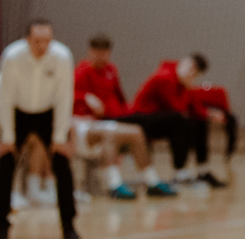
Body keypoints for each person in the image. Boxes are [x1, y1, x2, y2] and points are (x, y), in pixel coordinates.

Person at [0, 19, 77, 239]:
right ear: (27, 40)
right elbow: (5, 97)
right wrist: (7, 136)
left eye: (47, 41)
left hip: (48, 114)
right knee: (5, 164)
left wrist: (59, 136)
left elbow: (64, 98)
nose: (42, 46)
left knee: (62, 165)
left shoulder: (62, 57)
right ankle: (1, 224)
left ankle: (68, 225)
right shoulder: (12, 57)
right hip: (18, 113)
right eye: (38, 41)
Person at [72, 34, 176, 199]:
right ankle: (114, 184)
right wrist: (85, 97)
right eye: (98, 53)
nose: (102, 57)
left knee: (136, 131)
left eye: (105, 53)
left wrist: (126, 112)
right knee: (110, 134)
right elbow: (67, 95)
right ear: (90, 52)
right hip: (84, 123)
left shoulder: (111, 70)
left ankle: (151, 181)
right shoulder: (81, 72)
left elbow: (119, 95)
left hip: (108, 120)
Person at [123, 55, 231, 188]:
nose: (192, 75)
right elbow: (177, 107)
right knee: (182, 121)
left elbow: (192, 107)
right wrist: (188, 88)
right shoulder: (165, 77)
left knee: (199, 121)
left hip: (160, 119)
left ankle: (203, 171)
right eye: (192, 70)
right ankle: (179, 172)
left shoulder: (180, 81)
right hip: (140, 119)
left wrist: (209, 114)